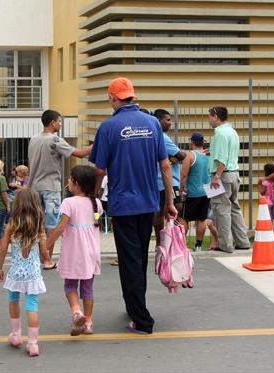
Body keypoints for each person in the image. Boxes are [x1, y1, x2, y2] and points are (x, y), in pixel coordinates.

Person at [88, 77, 177, 334]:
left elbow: (100, 169)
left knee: (129, 261)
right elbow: (166, 165)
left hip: (123, 203)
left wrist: (95, 196)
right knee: (139, 259)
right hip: (149, 202)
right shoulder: (152, 123)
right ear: (132, 96)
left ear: (112, 98)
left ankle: (142, 318)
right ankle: (134, 307)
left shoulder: (108, 127)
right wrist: (169, 201)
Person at [28, 109, 91, 270]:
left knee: (38, 225)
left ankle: (38, 258)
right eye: (59, 121)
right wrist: (97, 143)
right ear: (52, 122)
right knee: (52, 225)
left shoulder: (33, 139)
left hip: (34, 188)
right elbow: (80, 154)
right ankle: (47, 259)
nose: (60, 124)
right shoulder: (55, 140)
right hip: (50, 187)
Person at [45, 165, 102, 336]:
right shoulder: (96, 203)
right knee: (88, 288)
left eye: (70, 179)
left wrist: (46, 246)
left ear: (76, 183)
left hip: (74, 251)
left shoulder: (68, 202)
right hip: (91, 251)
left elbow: (61, 227)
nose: (68, 181)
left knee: (70, 285)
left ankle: (77, 312)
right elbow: (95, 223)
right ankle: (89, 323)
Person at [0, 187, 47, 357]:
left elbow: (3, 247)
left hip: (16, 271)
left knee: (13, 300)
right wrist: (47, 259)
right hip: (33, 272)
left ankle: (16, 335)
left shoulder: (12, 224)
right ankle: (33, 344)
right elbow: (44, 251)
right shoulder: (39, 225)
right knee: (32, 306)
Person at [208, 106, 251, 253]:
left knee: (221, 209)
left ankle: (225, 244)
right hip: (234, 174)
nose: (209, 120)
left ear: (215, 116)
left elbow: (221, 158)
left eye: (209, 117)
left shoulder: (219, 133)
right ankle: (243, 241)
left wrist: (216, 176)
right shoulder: (232, 131)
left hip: (222, 174)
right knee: (234, 208)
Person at [152, 109, 186, 246]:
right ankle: (176, 243)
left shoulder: (154, 136)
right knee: (176, 210)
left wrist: (174, 158)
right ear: (159, 121)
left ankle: (160, 243)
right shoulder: (163, 137)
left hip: (158, 181)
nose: (170, 123)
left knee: (159, 212)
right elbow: (182, 155)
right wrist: (175, 157)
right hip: (169, 182)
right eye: (167, 120)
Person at [179, 132, 212, 251]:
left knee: (183, 218)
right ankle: (198, 245)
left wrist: (181, 188)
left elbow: (183, 175)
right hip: (207, 191)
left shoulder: (190, 155)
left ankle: (182, 244)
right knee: (202, 219)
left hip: (192, 192)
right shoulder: (208, 156)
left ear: (192, 142)